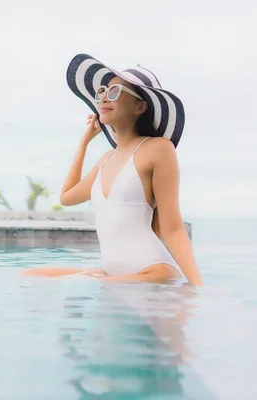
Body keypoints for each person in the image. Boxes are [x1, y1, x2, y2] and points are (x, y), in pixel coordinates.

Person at [23, 54, 203, 286]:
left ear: (140, 106)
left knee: (98, 283)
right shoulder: (106, 159)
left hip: (152, 272)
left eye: (115, 92)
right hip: (115, 276)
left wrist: (198, 288)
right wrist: (84, 141)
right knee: (30, 275)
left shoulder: (158, 149)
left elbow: (174, 229)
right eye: (103, 92)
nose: (105, 98)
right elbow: (66, 197)